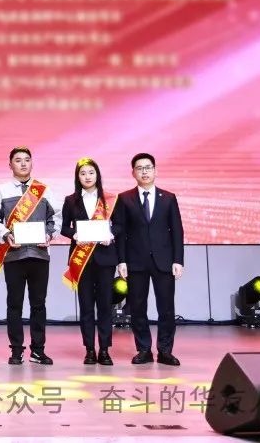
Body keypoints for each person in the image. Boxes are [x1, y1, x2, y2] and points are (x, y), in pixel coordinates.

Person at [0, 146, 61, 365]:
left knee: (39, 304)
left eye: (27, 159)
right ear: (10, 165)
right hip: (14, 255)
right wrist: (6, 234)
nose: (23, 163)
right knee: (14, 304)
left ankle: (38, 350)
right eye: (18, 160)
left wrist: (49, 234)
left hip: (39, 254)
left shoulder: (43, 190)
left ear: (32, 163)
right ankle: (16, 350)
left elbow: (56, 217)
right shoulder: (1, 191)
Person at [112, 152, 184, 367]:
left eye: (148, 167)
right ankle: (143, 349)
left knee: (166, 308)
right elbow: (120, 233)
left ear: (155, 170)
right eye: (140, 168)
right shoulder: (124, 198)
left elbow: (177, 231)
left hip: (164, 261)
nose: (144, 172)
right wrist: (121, 260)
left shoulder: (168, 198)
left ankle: (165, 351)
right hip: (135, 261)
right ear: (133, 173)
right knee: (137, 308)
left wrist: (178, 260)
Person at [60, 158, 118, 366]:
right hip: (81, 259)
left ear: (97, 175)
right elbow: (64, 227)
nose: (87, 177)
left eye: (91, 172)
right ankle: (90, 350)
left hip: (105, 258)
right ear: (78, 177)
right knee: (86, 306)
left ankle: (105, 350)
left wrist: (110, 234)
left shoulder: (110, 199)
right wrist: (74, 235)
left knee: (105, 306)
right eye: (83, 173)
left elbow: (120, 225)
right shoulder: (70, 200)